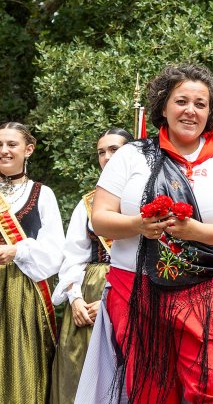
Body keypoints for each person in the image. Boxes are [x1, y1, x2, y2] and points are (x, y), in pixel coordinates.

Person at [86, 64, 213, 403]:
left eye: (200, 104)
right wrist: (137, 225)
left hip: (206, 290)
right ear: (163, 106)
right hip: (135, 288)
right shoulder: (131, 155)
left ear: (211, 112)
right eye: (181, 101)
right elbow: (101, 219)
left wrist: (195, 230)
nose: (190, 111)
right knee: (150, 387)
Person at [50, 128, 133, 404]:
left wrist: (112, 300)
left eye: (115, 150)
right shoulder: (87, 203)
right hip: (88, 296)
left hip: (127, 292)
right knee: (81, 370)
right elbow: (73, 255)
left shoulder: (144, 199)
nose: (107, 157)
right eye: (101, 152)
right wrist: (75, 299)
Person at [0, 121, 66, 403]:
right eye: (0, 145)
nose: (4, 150)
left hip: (23, 291)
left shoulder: (43, 194)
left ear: (28, 149)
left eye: (11, 145)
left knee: (21, 360)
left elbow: (56, 250)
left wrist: (18, 251)